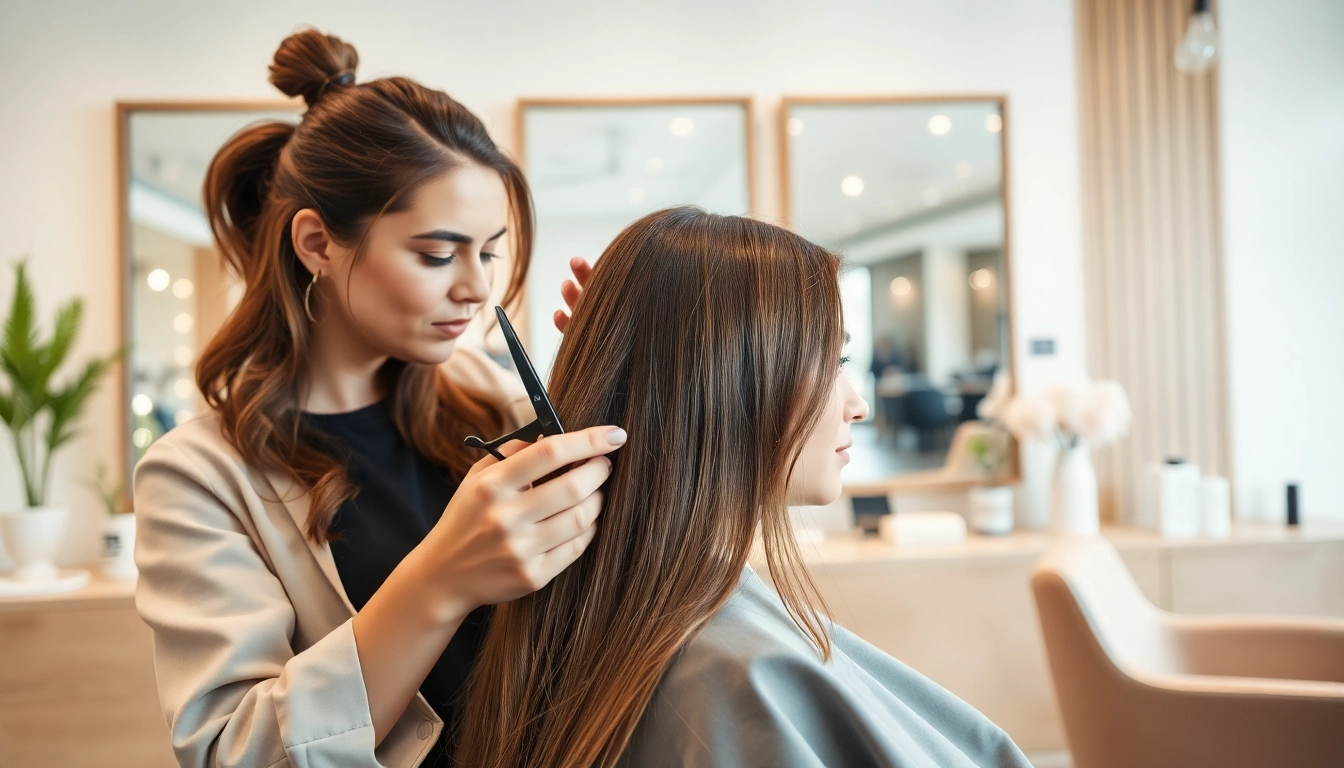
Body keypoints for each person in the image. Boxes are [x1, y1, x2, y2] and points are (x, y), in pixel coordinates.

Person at [132, 30, 618, 768]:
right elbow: (237, 752)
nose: (477, 287)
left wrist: (624, 382)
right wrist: (441, 579)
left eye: (488, 251)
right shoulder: (198, 477)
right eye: (435, 254)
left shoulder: (495, 400)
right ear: (317, 244)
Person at [453, 207, 1033, 768]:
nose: (856, 405)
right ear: (725, 384)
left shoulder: (672, 637)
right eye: (830, 360)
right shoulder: (731, 675)